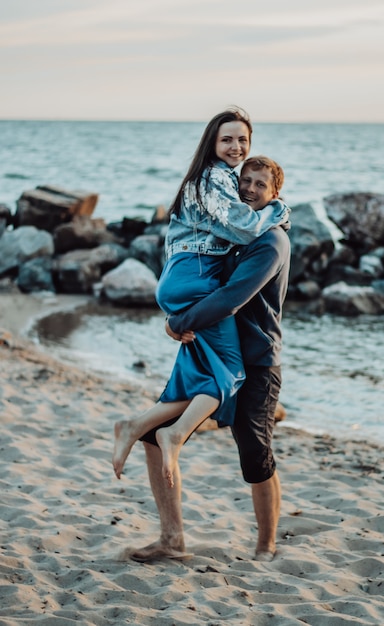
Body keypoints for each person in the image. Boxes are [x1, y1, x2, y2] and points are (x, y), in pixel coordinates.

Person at [112, 109, 290, 489]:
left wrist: (176, 311)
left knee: (201, 379)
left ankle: (139, 427)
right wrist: (279, 209)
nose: (236, 146)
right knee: (231, 372)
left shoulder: (217, 177)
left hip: (182, 276)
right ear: (212, 141)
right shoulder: (214, 178)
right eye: (227, 139)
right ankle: (169, 435)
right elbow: (243, 229)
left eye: (243, 140)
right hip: (196, 279)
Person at [130, 155, 291, 562]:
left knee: (254, 452)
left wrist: (175, 322)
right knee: (154, 433)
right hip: (213, 350)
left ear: (275, 195)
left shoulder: (271, 241)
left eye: (260, 185)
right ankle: (171, 539)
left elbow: (230, 298)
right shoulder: (233, 233)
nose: (251, 189)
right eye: (246, 182)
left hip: (255, 361)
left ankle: (266, 545)